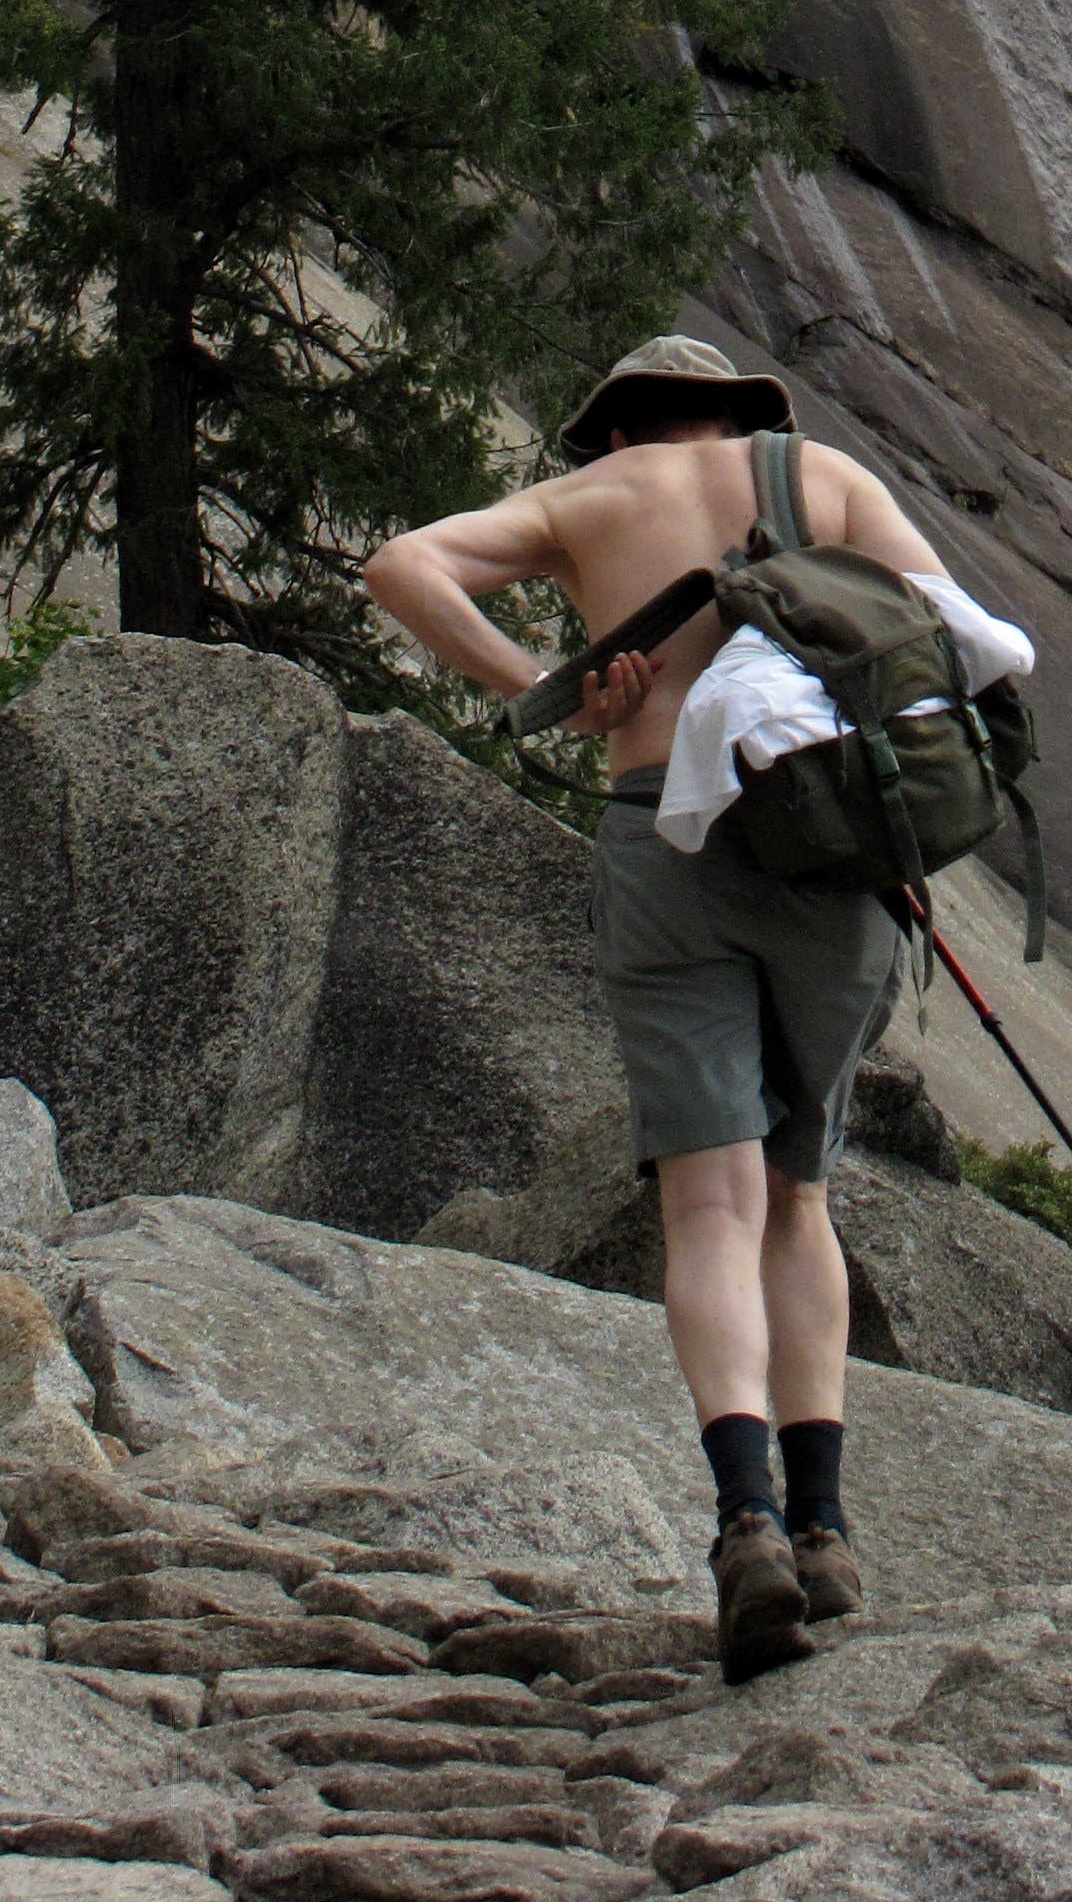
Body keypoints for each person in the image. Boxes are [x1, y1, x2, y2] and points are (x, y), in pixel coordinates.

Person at [365, 333, 983, 1682]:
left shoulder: (591, 503)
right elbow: (960, 645)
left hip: (666, 848)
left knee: (710, 1202)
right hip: (830, 855)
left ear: (619, 430)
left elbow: (400, 565)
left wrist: (547, 696)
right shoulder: (828, 477)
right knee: (801, 1196)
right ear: (732, 417)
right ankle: (828, 1537)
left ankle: (746, 1522)